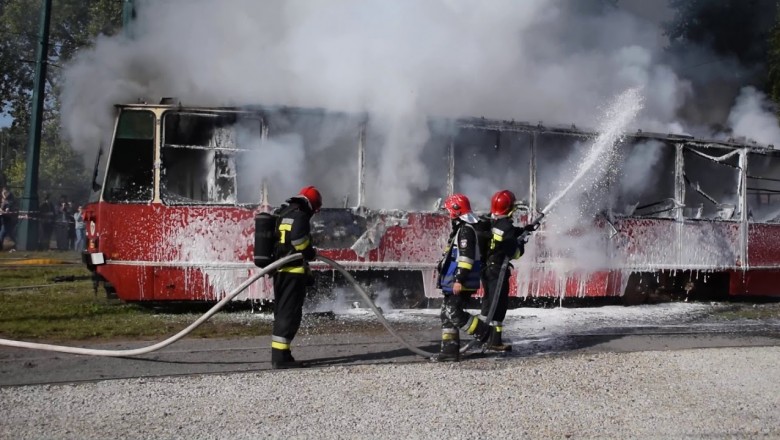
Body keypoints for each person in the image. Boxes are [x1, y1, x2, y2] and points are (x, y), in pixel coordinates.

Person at [270, 185, 322, 369]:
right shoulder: (300, 215)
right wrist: (310, 253)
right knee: (290, 314)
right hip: (293, 272)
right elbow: (299, 241)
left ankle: (282, 354)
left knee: (283, 312)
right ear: (312, 205)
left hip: (280, 270)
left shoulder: (284, 212)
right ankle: (280, 358)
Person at [479, 189, 538, 352]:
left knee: (489, 304)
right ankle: (494, 342)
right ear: (510, 208)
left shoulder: (491, 221)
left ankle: (484, 337)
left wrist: (524, 230)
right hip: (498, 270)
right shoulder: (506, 227)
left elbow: (502, 235)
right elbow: (515, 253)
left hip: (487, 269)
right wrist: (522, 242)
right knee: (498, 306)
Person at [434, 193, 490, 362]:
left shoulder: (465, 231)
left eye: (450, 210)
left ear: (456, 211)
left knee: (453, 313)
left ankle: (485, 332)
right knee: (446, 314)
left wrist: (459, 280)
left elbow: (466, 258)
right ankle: (449, 351)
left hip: (460, 282)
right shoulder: (461, 229)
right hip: (452, 281)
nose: (448, 214)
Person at [0, 187, 17, 252]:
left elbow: (7, 211)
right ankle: (16, 245)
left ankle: (1, 247)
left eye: (4, 193)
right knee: (10, 234)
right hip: (4, 220)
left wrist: (2, 211)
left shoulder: (8, 203)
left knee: (2, 233)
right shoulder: (5, 202)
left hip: (7, 220)